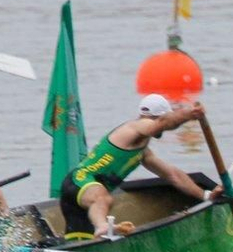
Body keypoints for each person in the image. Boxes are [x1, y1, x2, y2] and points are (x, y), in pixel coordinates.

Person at [58, 95, 222, 238]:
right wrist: (188, 114)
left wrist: (206, 196)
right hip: (80, 181)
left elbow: (174, 176)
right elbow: (164, 122)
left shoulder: (143, 151)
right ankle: (102, 227)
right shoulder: (136, 127)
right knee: (104, 198)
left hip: (80, 200)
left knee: (80, 240)